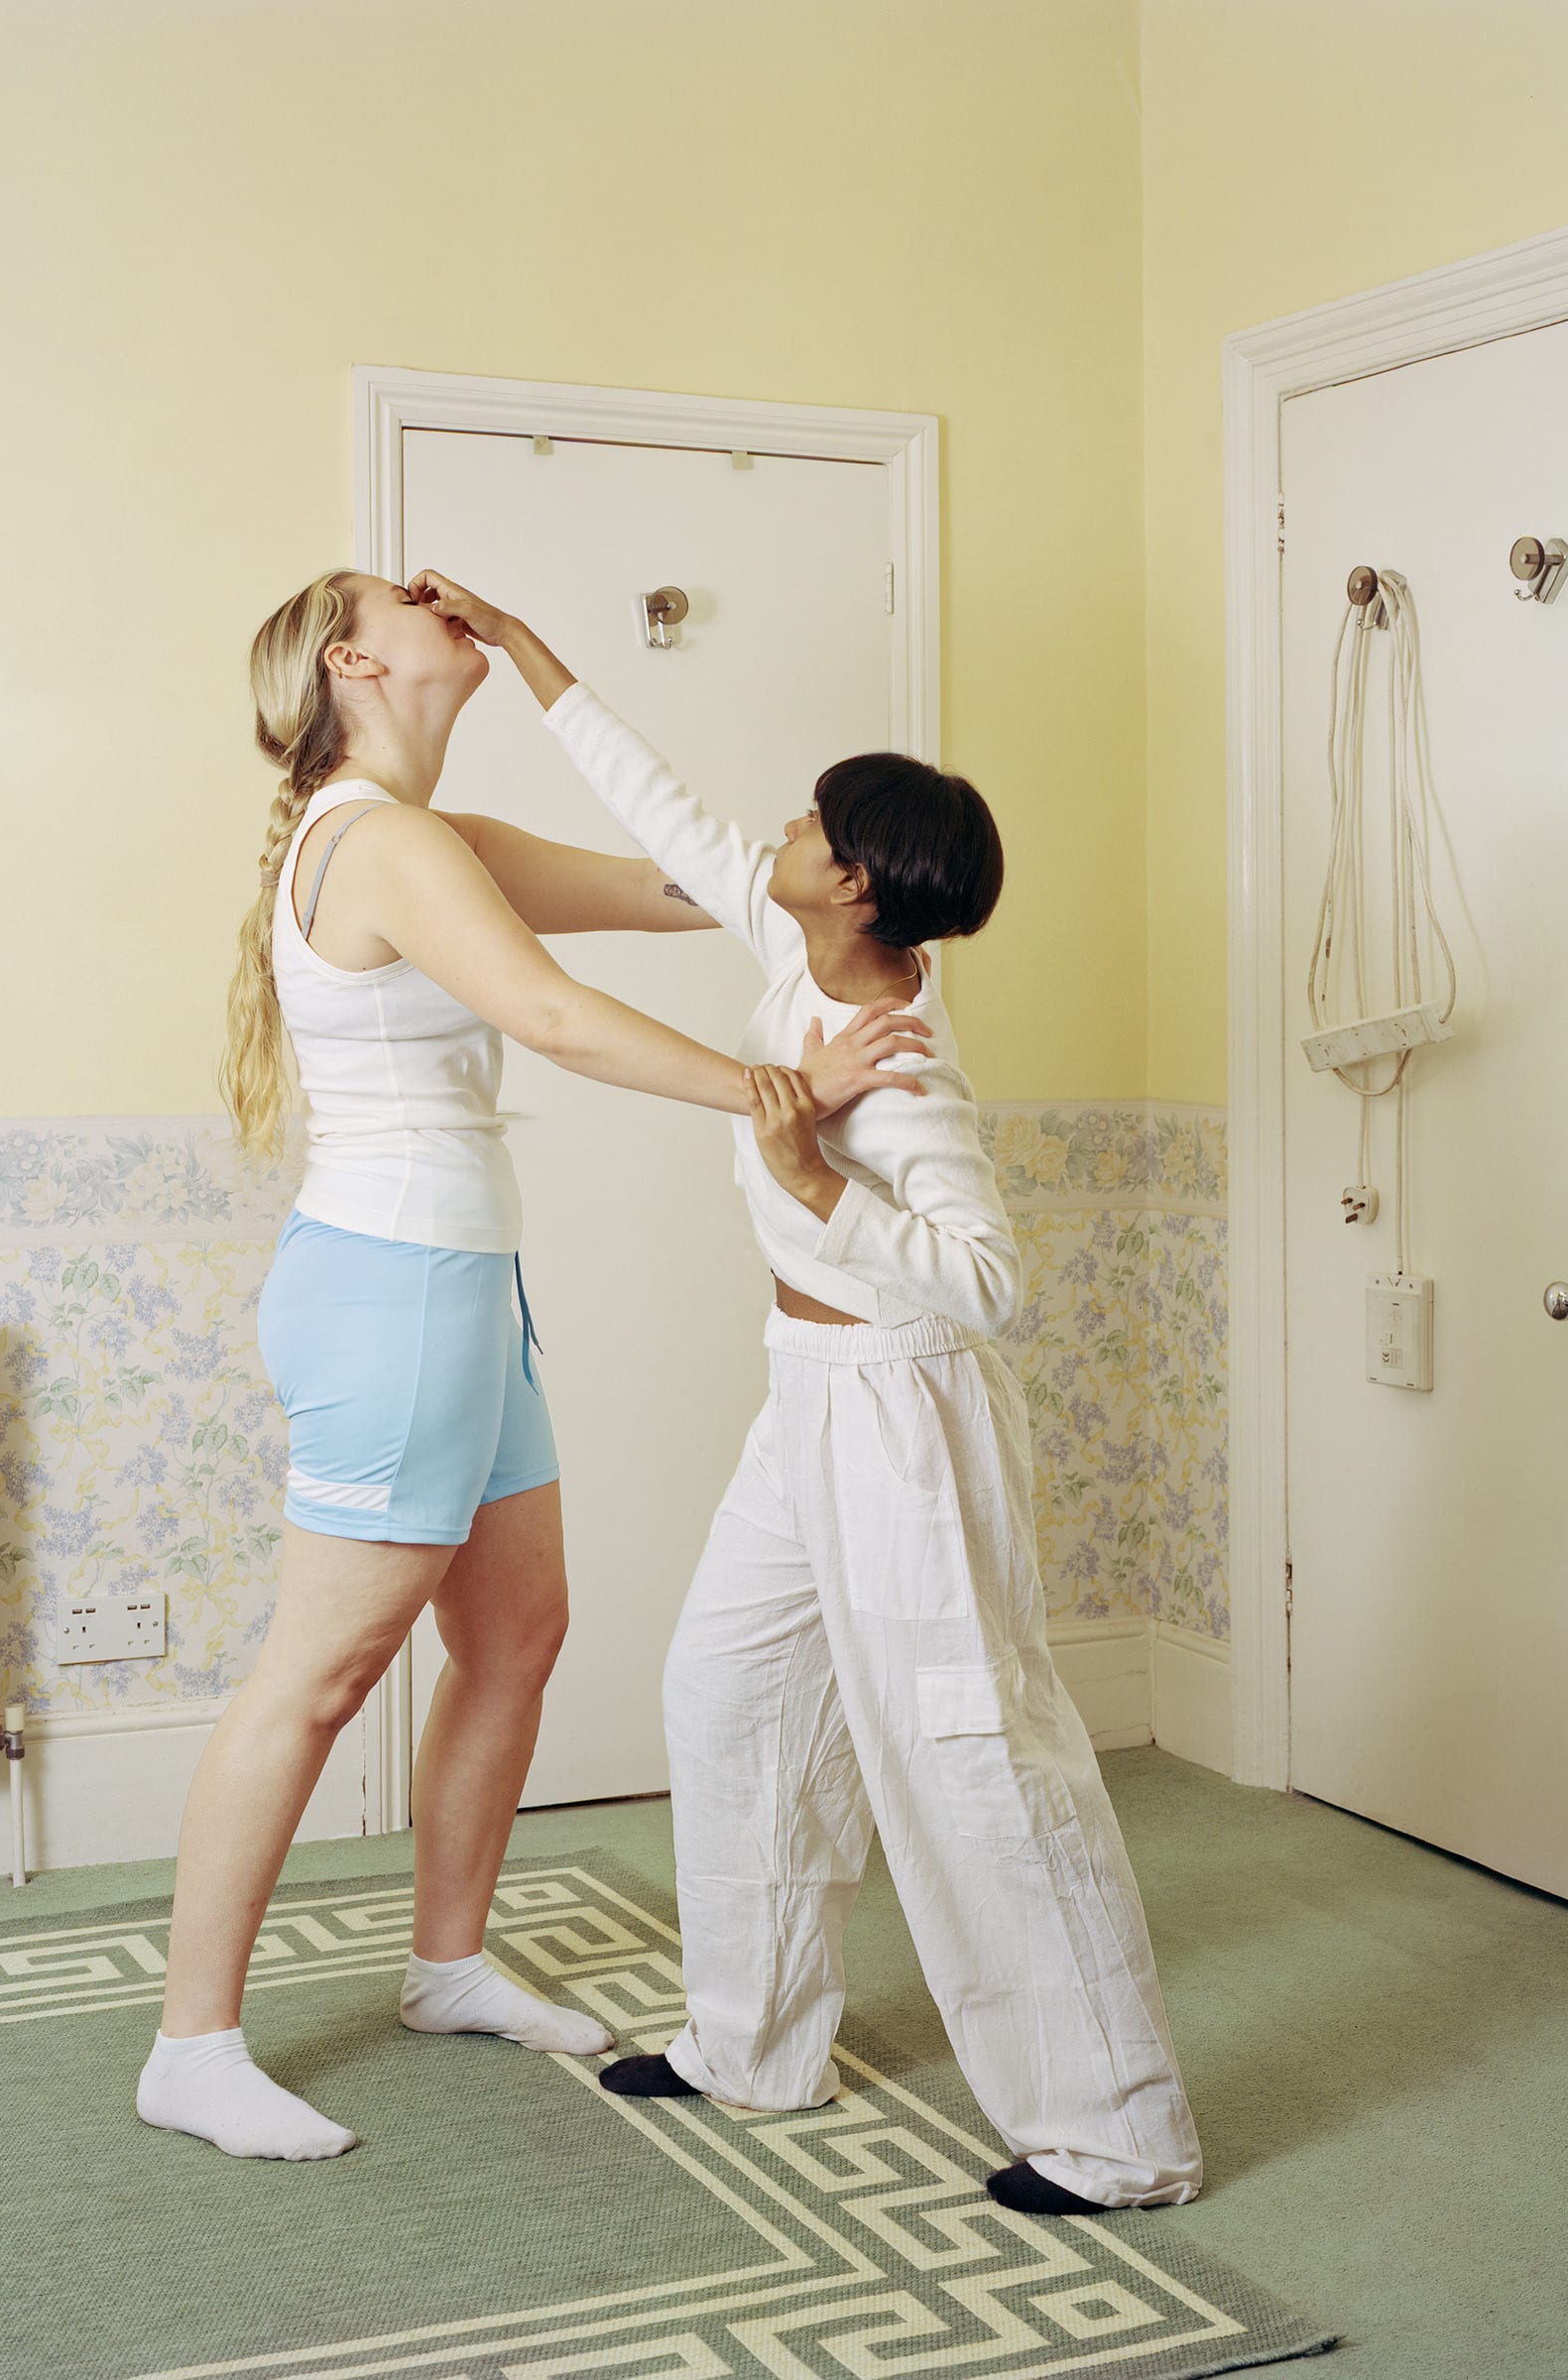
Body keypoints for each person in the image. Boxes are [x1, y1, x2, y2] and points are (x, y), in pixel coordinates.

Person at [407, 571, 1203, 2215]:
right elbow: (667, 801)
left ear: (853, 883)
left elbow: (990, 1285)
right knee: (727, 1688)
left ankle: (1118, 2136)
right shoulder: (799, 943)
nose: (770, 828)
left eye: (807, 820)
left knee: (977, 1759)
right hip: (810, 1392)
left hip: (907, 1413)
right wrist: (527, 651)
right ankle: (752, 2040)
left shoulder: (901, 1063)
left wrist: (811, 1174)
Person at [136, 570, 928, 2162]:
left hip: (461, 1290)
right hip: (393, 1294)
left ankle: (446, 1967)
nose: (447, 605)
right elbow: (557, 1020)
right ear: (356, 659)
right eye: (404, 598)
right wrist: (784, 1089)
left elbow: (671, 892)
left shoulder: (434, 835)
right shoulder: (382, 842)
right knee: (322, 1676)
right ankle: (192, 2044)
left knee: (514, 1635)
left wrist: (824, 871)